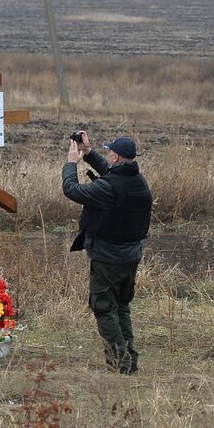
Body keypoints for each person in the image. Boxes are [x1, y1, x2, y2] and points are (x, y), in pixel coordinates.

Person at [62, 133, 153, 374]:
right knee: (121, 307)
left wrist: (72, 162)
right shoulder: (138, 181)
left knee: (104, 308)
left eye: (109, 153)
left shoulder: (108, 188)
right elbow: (112, 172)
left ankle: (119, 363)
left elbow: (71, 189)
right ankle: (129, 361)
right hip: (131, 257)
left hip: (107, 258)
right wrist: (89, 153)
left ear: (114, 156)